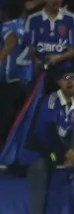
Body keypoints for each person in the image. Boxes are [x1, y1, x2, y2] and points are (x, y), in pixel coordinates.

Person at [21, 67, 74, 214]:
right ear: (59, 82)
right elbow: (47, 132)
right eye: (66, 78)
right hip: (33, 155)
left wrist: (68, 156)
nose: (71, 82)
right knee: (37, 195)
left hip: (51, 157)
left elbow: (68, 134)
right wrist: (70, 154)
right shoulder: (50, 101)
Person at [0, 0, 32, 143]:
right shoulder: (25, 25)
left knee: (5, 122)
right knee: (18, 121)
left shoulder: (7, 26)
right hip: (25, 81)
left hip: (10, 82)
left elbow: (11, 40)